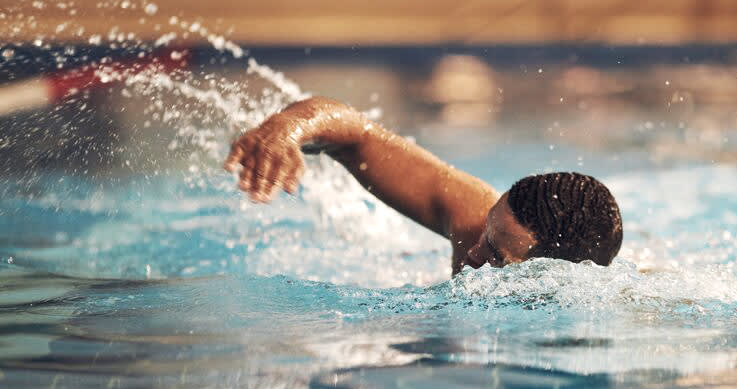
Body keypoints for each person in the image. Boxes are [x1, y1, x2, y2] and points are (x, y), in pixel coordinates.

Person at [223, 96, 623, 276]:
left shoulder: (594, 319)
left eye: (497, 256)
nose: (471, 251)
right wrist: (285, 130)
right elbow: (356, 134)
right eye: (487, 229)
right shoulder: (473, 224)